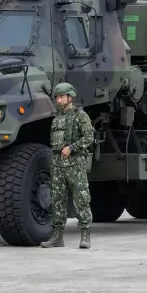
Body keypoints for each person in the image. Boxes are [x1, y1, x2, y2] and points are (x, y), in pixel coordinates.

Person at [41, 82, 95, 249]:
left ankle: (85, 234)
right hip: (57, 162)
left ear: (70, 97)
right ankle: (57, 236)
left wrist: (71, 148)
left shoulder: (80, 115)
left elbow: (88, 137)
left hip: (74, 163)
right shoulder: (57, 117)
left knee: (81, 198)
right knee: (57, 199)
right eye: (57, 97)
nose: (58, 99)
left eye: (61, 96)